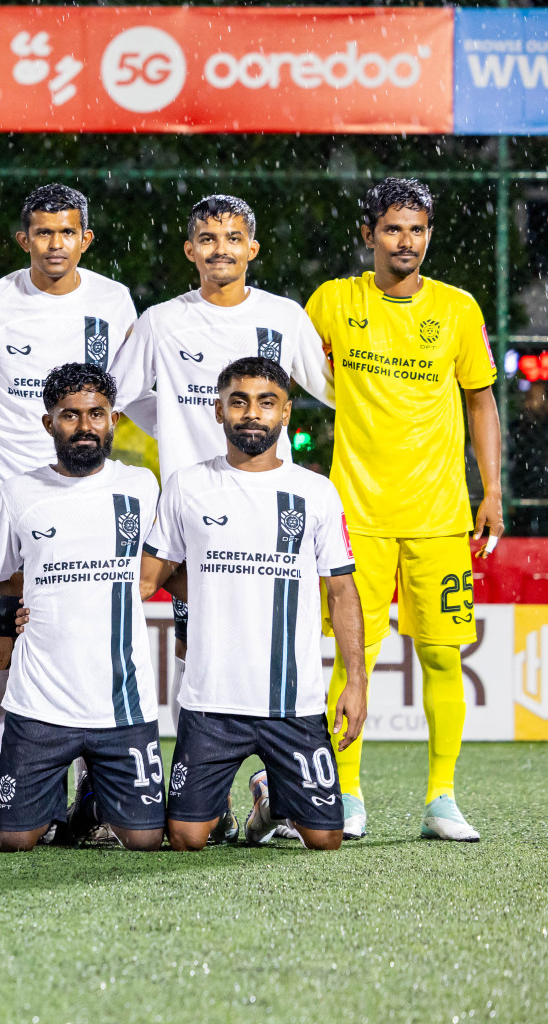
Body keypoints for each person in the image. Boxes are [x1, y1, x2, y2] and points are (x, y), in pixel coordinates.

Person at [108, 193, 335, 841]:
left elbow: (332, 390)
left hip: (270, 517)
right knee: (196, 648)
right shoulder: (160, 322)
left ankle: (276, 786)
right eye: (207, 239)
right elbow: (117, 398)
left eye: (233, 239)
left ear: (252, 249)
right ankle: (216, 794)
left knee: (279, 649)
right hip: (194, 519)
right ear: (190, 251)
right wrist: (175, 426)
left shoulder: (283, 317)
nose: (221, 250)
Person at [0, 183, 138, 810]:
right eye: (42, 233)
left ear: (85, 239)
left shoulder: (114, 300)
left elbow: (123, 398)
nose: (55, 244)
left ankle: (97, 797)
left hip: (86, 493)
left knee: (89, 635)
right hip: (5, 494)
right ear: (24, 239)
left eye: (67, 232)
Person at [305, 178, 501, 842]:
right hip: (355, 517)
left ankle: (441, 798)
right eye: (392, 229)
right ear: (368, 236)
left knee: (444, 658)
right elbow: (291, 375)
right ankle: (347, 795)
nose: (406, 241)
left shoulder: (456, 309)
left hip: (440, 516)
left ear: (429, 235)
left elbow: (481, 401)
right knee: (351, 659)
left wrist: (492, 491)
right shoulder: (333, 302)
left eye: (417, 229)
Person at [138, 357, 368, 851]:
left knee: (326, 839)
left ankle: (267, 801)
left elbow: (343, 590)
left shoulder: (315, 492)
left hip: (293, 703)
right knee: (184, 838)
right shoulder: (186, 485)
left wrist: (356, 680)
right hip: (211, 701)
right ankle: (228, 807)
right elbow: (147, 579)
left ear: (285, 413)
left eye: (266, 403)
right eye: (238, 401)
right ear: (217, 411)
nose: (251, 414)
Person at [0, 364, 165, 852]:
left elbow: (162, 570)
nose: (84, 427)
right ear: (48, 424)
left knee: (145, 840)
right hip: (40, 699)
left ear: (114, 419)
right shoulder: (19, 492)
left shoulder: (142, 487)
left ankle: (92, 802)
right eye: (70, 416)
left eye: (96, 414)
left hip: (122, 700)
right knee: (14, 840)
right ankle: (51, 806)